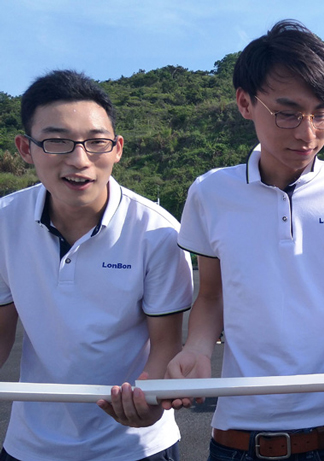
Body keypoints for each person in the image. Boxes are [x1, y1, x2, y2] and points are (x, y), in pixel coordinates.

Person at [164, 20, 324, 461]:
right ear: (245, 103)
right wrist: (196, 348)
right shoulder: (211, 193)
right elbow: (211, 295)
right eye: (287, 113)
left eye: (321, 113)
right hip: (238, 437)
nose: (307, 134)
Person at [0, 70, 192, 461]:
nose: (79, 159)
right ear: (25, 148)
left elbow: (166, 344)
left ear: (117, 148)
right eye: (57, 141)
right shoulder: (5, 222)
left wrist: (150, 398)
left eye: (95, 142)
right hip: (31, 445)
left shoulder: (157, 232)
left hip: (136, 446)